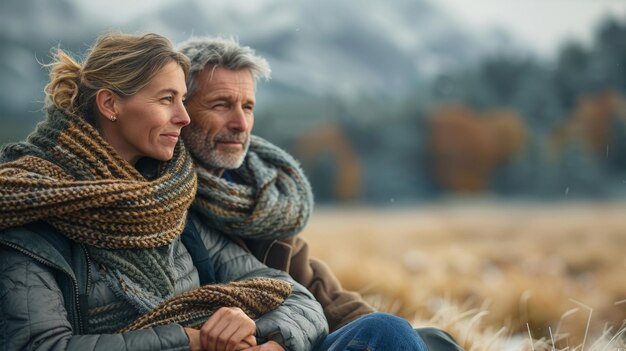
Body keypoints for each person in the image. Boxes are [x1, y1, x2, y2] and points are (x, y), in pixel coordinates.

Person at [0, 32, 328, 351]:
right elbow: (39, 344)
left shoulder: (167, 202)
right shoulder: (29, 212)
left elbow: (295, 296)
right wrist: (191, 339)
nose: (183, 117)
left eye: (183, 100)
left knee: (377, 330)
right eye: (167, 99)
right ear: (110, 103)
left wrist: (266, 337)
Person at [177, 37, 464, 350]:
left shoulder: (260, 201)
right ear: (178, 110)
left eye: (248, 107)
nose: (240, 123)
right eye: (221, 105)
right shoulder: (157, 202)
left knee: (433, 340)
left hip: (294, 338)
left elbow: (324, 297)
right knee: (387, 332)